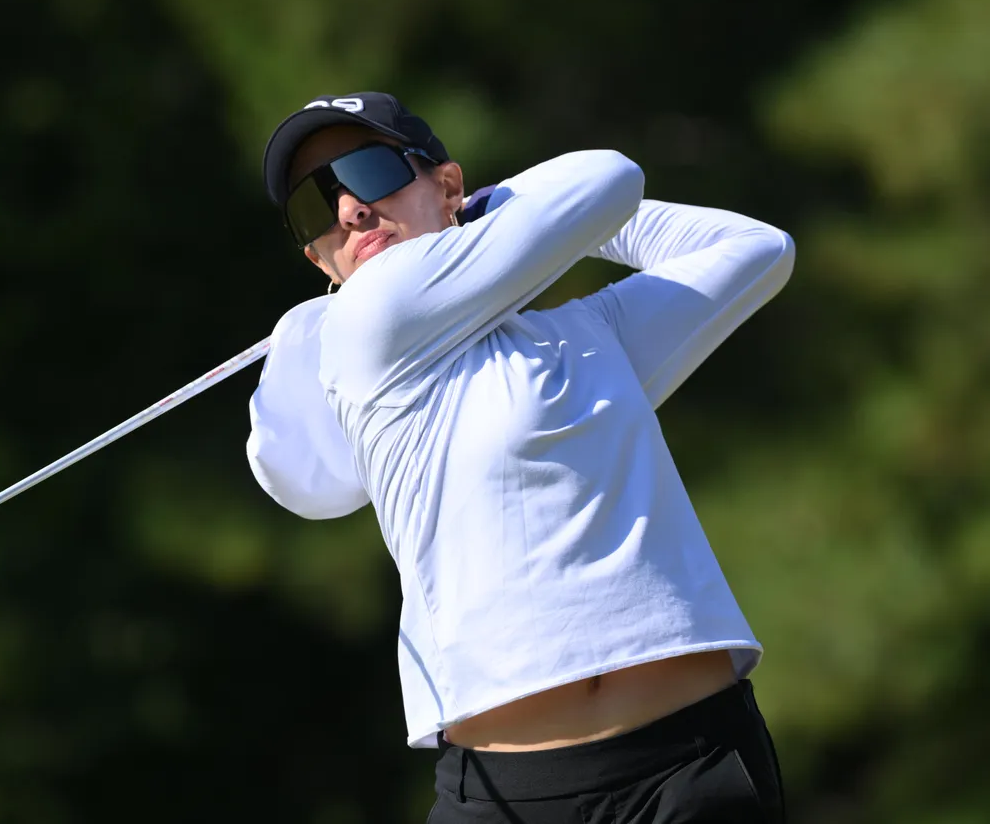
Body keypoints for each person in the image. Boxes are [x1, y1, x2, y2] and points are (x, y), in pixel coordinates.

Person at [246, 91, 794, 822]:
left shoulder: (590, 335)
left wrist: (500, 208)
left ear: (448, 184)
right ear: (318, 258)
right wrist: (518, 218)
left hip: (692, 764)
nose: (349, 209)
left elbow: (754, 247)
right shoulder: (363, 333)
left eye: (370, 172)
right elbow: (307, 481)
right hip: (512, 799)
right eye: (315, 206)